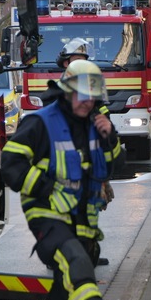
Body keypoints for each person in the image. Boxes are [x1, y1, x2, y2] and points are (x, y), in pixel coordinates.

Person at [0, 60, 124, 300]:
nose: (87, 101)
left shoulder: (96, 125)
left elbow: (115, 168)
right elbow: (11, 164)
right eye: (82, 94)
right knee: (75, 260)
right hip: (47, 214)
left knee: (64, 293)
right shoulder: (40, 122)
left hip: (83, 221)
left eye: (92, 95)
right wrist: (45, 188)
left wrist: (110, 138)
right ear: (67, 91)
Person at [45, 39, 111, 266]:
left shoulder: (90, 84)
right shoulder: (59, 91)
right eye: (77, 59)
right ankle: (58, 257)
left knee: (89, 211)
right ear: (66, 62)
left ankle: (88, 254)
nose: (82, 63)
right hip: (64, 166)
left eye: (84, 59)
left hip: (88, 165)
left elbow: (101, 115)